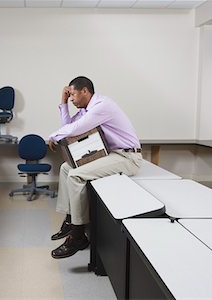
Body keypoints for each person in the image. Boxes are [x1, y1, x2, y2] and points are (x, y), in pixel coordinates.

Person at [48, 76, 142, 259]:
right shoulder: (87, 109)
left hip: (129, 157)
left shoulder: (102, 106)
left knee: (75, 175)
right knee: (65, 168)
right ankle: (70, 219)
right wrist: (63, 103)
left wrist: (53, 136)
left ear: (85, 91)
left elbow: (76, 129)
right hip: (113, 154)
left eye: (73, 95)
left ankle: (77, 236)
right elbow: (68, 126)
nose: (72, 99)